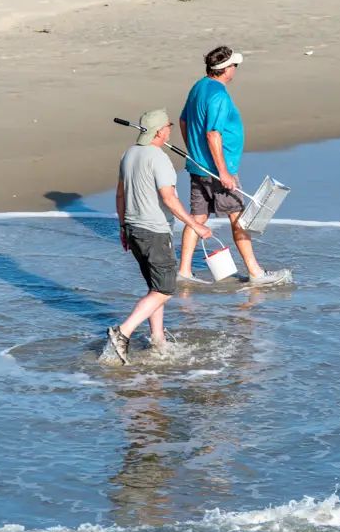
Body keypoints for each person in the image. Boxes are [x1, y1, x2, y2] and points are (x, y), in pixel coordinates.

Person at [106, 108, 213, 365]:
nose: (169, 130)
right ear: (160, 132)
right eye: (168, 127)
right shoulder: (160, 158)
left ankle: (158, 340)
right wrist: (196, 226)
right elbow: (169, 198)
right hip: (154, 232)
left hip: (133, 230)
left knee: (155, 288)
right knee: (165, 290)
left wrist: (122, 228)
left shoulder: (128, 154)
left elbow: (120, 196)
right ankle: (123, 333)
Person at [176, 46, 290, 286]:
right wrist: (224, 172)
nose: (235, 69)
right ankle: (256, 273)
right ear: (226, 69)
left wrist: (194, 153)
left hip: (199, 167)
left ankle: (184, 270)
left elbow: (183, 121)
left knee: (198, 218)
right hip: (219, 170)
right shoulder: (219, 95)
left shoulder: (198, 86)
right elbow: (213, 134)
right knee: (240, 218)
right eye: (233, 65)